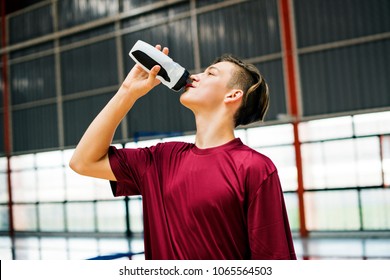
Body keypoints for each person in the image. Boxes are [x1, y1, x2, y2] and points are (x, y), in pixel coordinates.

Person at [70, 44, 296, 260]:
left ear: (232, 95)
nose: (195, 76)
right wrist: (127, 92)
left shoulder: (255, 167)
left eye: (211, 74)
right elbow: (83, 162)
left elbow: (274, 259)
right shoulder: (160, 159)